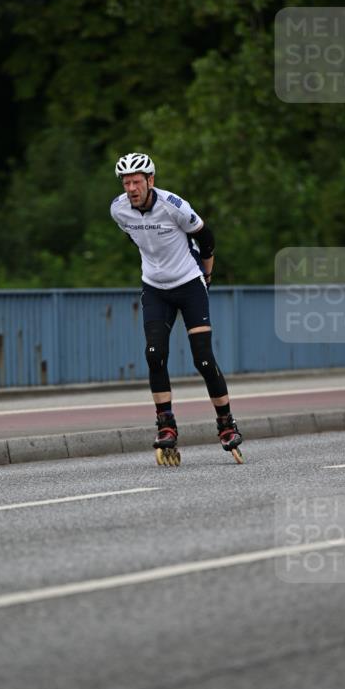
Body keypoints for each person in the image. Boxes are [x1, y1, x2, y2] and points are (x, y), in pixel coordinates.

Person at [110, 151, 243, 458]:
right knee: (154, 355)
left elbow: (206, 239)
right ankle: (166, 425)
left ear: (150, 180)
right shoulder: (118, 210)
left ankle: (226, 424)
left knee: (203, 359)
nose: (131, 188)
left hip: (189, 285)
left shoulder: (174, 206)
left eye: (137, 182)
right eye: (126, 182)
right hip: (156, 288)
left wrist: (206, 276)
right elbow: (135, 239)